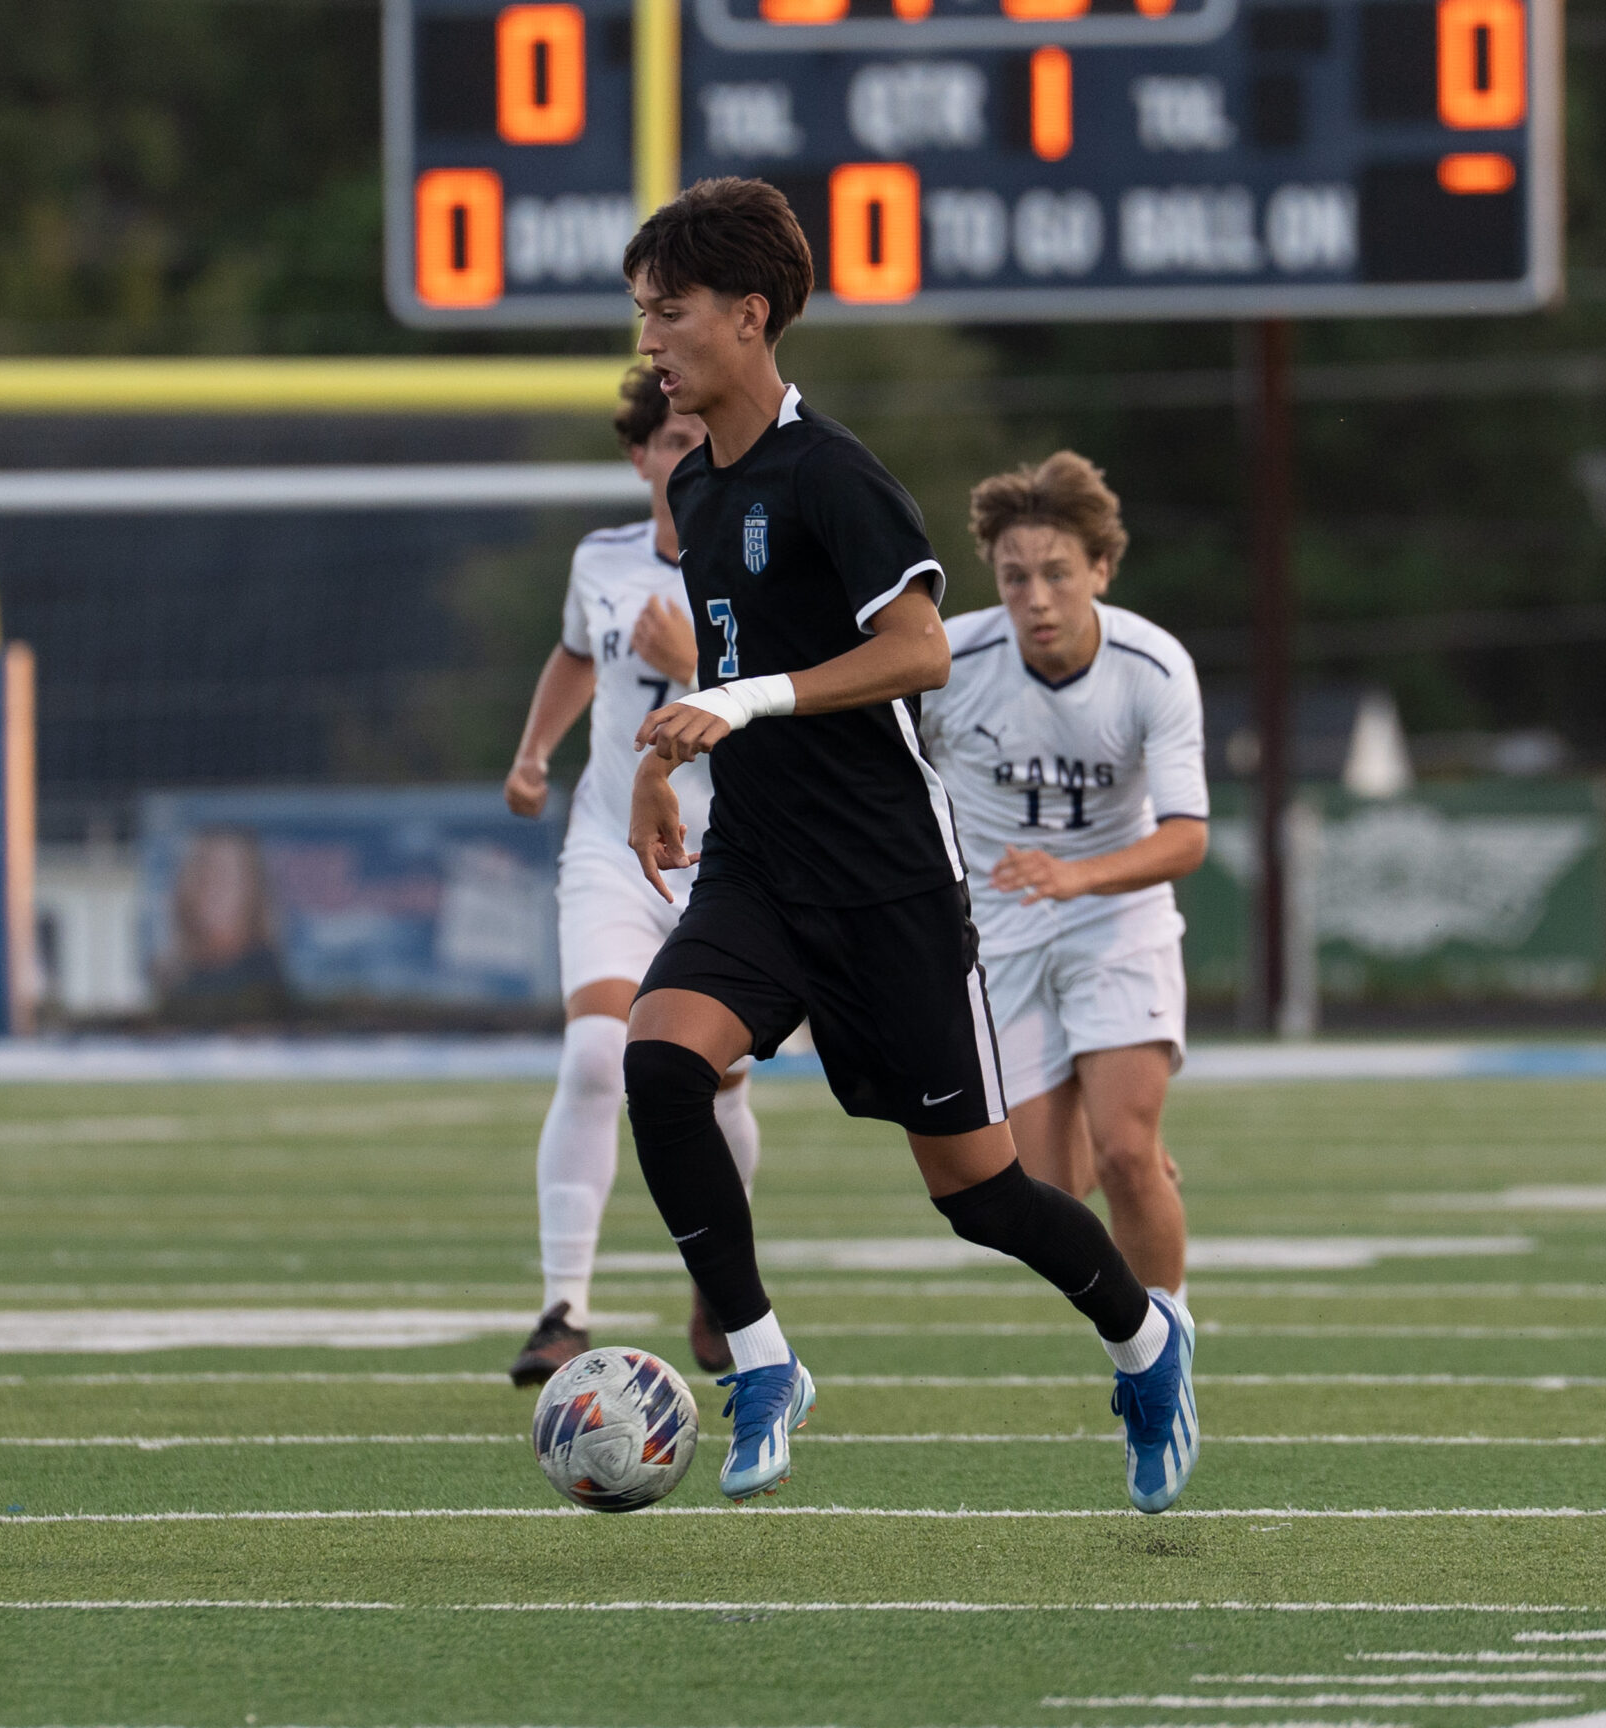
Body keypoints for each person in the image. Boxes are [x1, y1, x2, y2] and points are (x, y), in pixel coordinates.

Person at [617, 178, 1196, 1512]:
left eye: (669, 311)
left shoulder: (835, 473)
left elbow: (920, 650)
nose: (648, 340)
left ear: (749, 315)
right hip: (757, 865)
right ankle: (762, 1362)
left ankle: (1143, 1339)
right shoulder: (696, 485)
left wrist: (744, 702)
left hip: (887, 883)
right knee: (657, 1063)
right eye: (642, 313)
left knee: (983, 1196)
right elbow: (731, 667)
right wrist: (663, 752)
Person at [502, 366, 762, 1387]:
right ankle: (562, 1309)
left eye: (702, 437)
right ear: (639, 454)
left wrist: (697, 662)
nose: (688, 455)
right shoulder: (601, 558)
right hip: (613, 847)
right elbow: (576, 655)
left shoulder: (756, 559)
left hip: (728, 857)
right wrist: (533, 753)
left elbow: (791, 703)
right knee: (593, 1057)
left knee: (714, 1085)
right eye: (671, 440)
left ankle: (720, 1281)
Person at [917, 452, 1205, 1308]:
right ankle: (1129, 1160)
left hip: (1117, 922)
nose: (1036, 598)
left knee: (1125, 1154)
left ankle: (1165, 1350)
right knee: (1044, 1196)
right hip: (998, 935)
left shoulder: (1153, 666)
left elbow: (1186, 837)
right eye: (1015, 577)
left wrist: (1079, 878)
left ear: (1101, 570)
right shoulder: (946, 660)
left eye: (1057, 573)